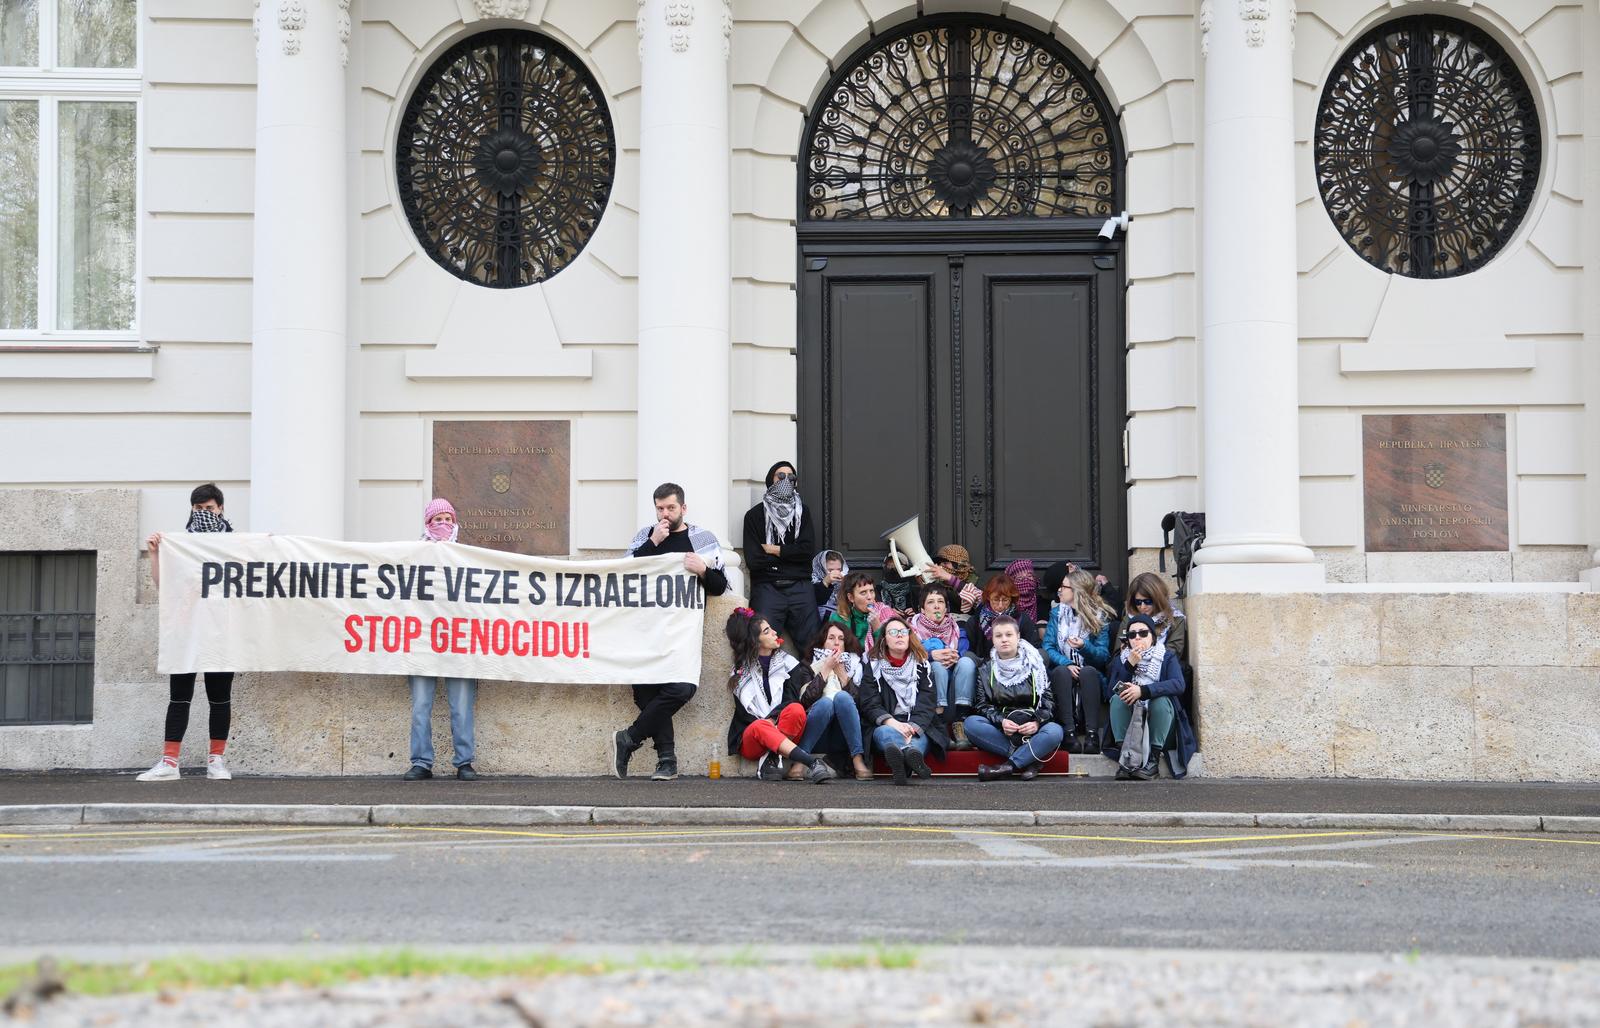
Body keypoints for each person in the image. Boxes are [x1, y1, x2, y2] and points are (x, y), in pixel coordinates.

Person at [614, 482, 730, 780]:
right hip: (644, 630)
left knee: (681, 688)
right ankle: (667, 761)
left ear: (683, 508)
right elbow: (623, 574)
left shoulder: (701, 539)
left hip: (681, 634)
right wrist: (652, 543)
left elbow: (719, 587)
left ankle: (629, 737)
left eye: (671, 508)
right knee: (646, 695)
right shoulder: (645, 536)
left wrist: (703, 570)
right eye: (660, 508)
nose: (665, 513)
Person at [138, 484, 237, 782]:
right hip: (186, 630)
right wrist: (155, 554)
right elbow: (164, 586)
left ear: (220, 509)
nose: (204, 513)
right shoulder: (180, 545)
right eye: (198, 509)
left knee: (220, 698)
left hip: (221, 631)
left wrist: (268, 547)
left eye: (209, 509)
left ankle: (216, 761)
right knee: (179, 697)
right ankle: (169, 762)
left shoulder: (235, 544)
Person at [402, 498, 480, 781]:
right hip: (422, 642)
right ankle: (421, 763)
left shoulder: (466, 557)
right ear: (428, 523)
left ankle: (464, 763)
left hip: (459, 642)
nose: (444, 524)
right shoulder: (414, 556)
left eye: (448, 519)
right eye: (438, 519)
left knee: (462, 707)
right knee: (420, 707)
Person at [724, 610, 837, 783]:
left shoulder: (789, 664)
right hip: (753, 740)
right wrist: (768, 722)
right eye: (767, 631)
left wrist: (773, 719)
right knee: (760, 726)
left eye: (771, 628)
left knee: (796, 709)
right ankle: (811, 762)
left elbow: (791, 699)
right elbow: (745, 714)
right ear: (756, 641)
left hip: (786, 728)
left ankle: (772, 757)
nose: (775, 632)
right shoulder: (740, 672)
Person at [964, 617, 1064, 781]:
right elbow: (982, 705)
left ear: (1018, 637)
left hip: (1031, 727)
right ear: (992, 639)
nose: (1004, 639)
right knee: (971, 723)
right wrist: (1001, 721)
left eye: (1009, 634)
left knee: (1055, 731)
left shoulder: (1035, 664)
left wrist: (1036, 722)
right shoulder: (985, 669)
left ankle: (1007, 767)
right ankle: (1029, 759)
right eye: (999, 636)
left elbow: (1048, 702)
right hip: (1003, 729)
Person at [1106, 613, 1197, 780]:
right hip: (1132, 725)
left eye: (1143, 633)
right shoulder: (1122, 660)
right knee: (1117, 700)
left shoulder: (1166, 656)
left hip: (1162, 727)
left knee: (1161, 701)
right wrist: (1129, 666)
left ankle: (1153, 762)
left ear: (1153, 637)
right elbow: (1111, 692)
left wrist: (1144, 691)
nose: (1137, 638)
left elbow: (1178, 684)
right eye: (1132, 635)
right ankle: (1126, 758)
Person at [742, 461, 819, 654]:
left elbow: (807, 551)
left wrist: (776, 550)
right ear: (771, 479)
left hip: (800, 587)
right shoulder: (754, 516)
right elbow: (754, 560)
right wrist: (792, 555)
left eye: (791, 477)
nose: (786, 481)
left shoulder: (803, 513)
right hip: (768, 587)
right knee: (760, 645)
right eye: (781, 476)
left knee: (813, 647)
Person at [859, 616, 947, 785]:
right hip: (887, 722)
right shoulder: (873, 666)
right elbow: (869, 703)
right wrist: (893, 723)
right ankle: (908, 760)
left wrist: (912, 727)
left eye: (903, 631)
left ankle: (904, 761)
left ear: (909, 636)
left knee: (918, 738)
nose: (899, 635)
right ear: (884, 639)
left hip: (917, 723)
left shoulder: (922, 665)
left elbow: (927, 703)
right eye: (893, 632)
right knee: (884, 734)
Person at [1041, 567, 1116, 753]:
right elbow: (1048, 647)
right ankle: (1069, 733)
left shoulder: (1099, 616)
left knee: (1088, 672)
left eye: (1064, 587)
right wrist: (1067, 663)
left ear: (1076, 591)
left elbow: (1103, 656)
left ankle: (1092, 735)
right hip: (1062, 674)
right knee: (1060, 671)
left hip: (1090, 675)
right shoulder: (1057, 613)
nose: (1060, 590)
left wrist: (1084, 646)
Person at [797, 622, 872, 780]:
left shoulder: (856, 665)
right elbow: (805, 701)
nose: (836, 642)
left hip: (844, 734)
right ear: (823, 641)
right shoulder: (808, 664)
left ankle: (857, 759)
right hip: (817, 731)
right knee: (826, 703)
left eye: (841, 638)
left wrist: (842, 674)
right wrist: (825, 669)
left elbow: (861, 705)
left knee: (842, 697)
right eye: (831, 638)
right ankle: (799, 759)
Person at [909, 587, 976, 747]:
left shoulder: (957, 629)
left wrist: (954, 656)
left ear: (946, 608)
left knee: (967, 662)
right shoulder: (911, 630)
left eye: (940, 602)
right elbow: (907, 655)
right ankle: (939, 725)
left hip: (954, 692)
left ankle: (960, 721)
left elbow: (963, 651)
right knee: (937, 667)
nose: (937, 606)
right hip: (927, 693)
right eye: (931, 602)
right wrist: (931, 655)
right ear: (922, 609)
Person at [1114, 572, 1189, 667]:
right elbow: (1118, 653)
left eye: (1147, 601)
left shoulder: (1175, 619)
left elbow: (1173, 653)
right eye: (1138, 602)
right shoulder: (1129, 618)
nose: (1142, 606)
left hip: (1162, 668)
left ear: (1158, 599)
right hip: (1130, 667)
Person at [967, 573, 1039, 662]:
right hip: (983, 665)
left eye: (1005, 600)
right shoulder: (975, 621)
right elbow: (971, 651)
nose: (1000, 605)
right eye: (996, 599)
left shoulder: (1022, 619)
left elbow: (1033, 646)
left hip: (1016, 664)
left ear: (1011, 598)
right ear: (988, 597)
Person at [828, 570, 896, 651]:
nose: (869, 597)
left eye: (871, 591)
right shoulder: (840, 618)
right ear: (851, 598)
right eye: (863, 593)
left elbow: (891, 650)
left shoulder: (884, 612)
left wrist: (877, 628)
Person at [811, 549, 848, 623]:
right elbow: (815, 602)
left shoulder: (846, 583)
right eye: (830, 570)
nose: (836, 573)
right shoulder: (811, 583)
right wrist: (825, 582)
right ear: (821, 568)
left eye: (839, 569)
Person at [1003, 559, 1040, 630]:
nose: (1026, 580)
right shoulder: (1005, 605)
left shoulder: (1043, 605)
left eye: (1029, 576)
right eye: (1020, 578)